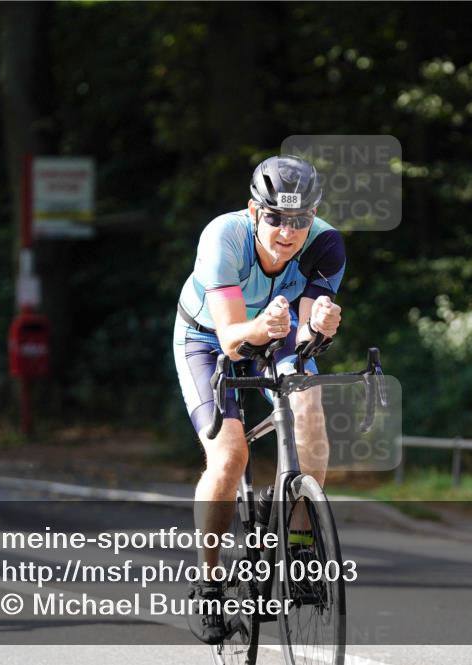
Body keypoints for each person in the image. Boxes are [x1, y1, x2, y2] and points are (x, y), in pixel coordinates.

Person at [173, 155, 345, 643]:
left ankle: (301, 542)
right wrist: (262, 327)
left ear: (313, 216)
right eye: (275, 218)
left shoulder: (326, 244)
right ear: (254, 212)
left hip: (277, 331)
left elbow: (306, 332)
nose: (287, 232)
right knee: (229, 457)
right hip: (208, 338)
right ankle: (209, 583)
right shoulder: (223, 237)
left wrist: (320, 326)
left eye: (299, 219)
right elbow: (231, 340)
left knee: (309, 413)